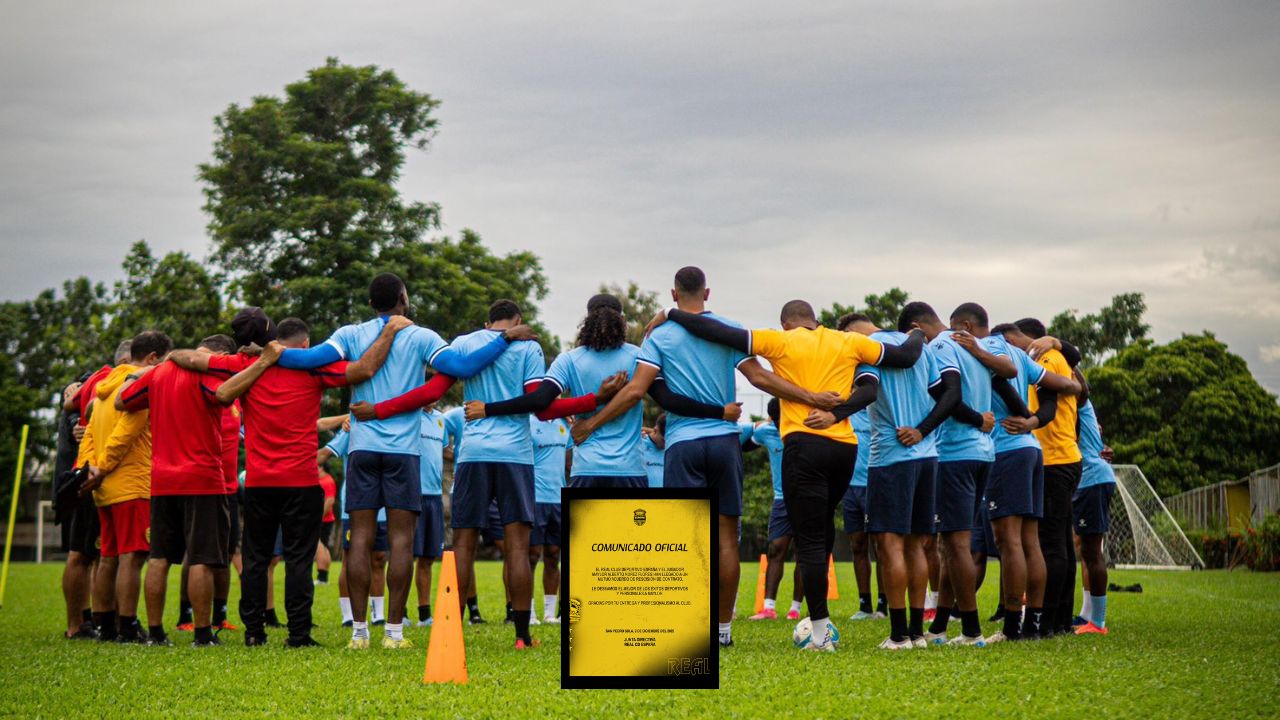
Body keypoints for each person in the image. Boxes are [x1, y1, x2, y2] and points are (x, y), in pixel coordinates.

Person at [575, 268, 838, 650]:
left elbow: (635, 392)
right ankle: (722, 631)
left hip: (682, 443)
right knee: (726, 540)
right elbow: (762, 380)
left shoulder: (660, 336)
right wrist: (813, 398)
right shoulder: (727, 329)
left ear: (673, 293)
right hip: (724, 444)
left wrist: (591, 424)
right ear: (708, 292)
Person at [276, 273, 533, 650]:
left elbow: (310, 359)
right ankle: (394, 632)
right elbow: (461, 368)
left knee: (359, 540)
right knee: (400, 541)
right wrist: (506, 337)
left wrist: (271, 353)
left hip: (362, 448)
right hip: (404, 452)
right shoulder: (421, 335)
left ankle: (359, 633)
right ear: (403, 298)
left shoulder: (350, 333)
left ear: (369, 304)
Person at [169, 310, 407, 647]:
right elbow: (364, 368)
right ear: (303, 343)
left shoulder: (243, 365)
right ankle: (298, 634)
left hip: (259, 482)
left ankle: (254, 632)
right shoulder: (311, 366)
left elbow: (188, 358)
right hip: (302, 480)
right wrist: (389, 333)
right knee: (298, 560)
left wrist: (166, 357)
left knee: (256, 560)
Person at [465, 293, 734, 489]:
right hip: (630, 470)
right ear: (623, 320)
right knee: (629, 557)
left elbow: (542, 407)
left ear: (587, 320)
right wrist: (718, 411)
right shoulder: (639, 357)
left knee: (584, 559)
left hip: (587, 470)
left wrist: (489, 408)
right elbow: (668, 400)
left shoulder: (569, 360)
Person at [830, 311, 951, 650]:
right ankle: (915, 632)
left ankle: (898, 635)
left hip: (891, 457)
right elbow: (945, 395)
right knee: (917, 545)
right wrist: (923, 430)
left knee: (890, 545)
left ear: (849, 333)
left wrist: (834, 412)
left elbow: (868, 392)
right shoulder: (919, 348)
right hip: (928, 456)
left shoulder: (868, 348)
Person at [117, 334, 239, 648]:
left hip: (161, 481)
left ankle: (156, 633)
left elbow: (122, 401)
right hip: (202, 479)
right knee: (201, 558)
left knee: (158, 557)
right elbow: (225, 396)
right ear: (218, 355)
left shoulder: (157, 373)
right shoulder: (207, 373)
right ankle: (201, 634)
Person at [905, 302, 1016, 647]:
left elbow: (950, 395)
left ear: (917, 328)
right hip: (983, 453)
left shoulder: (941, 345)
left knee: (955, 544)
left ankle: (971, 631)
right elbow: (1006, 383)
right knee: (949, 544)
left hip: (955, 453)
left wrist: (922, 430)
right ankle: (939, 626)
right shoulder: (978, 350)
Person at [977, 323, 1080, 642]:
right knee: (1041, 542)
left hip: (1030, 454)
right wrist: (1032, 420)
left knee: (1017, 543)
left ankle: (1025, 625)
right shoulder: (1034, 359)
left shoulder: (1013, 354)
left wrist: (1026, 418)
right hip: (1039, 453)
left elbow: (1006, 377)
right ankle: (1042, 623)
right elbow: (1073, 387)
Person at [78, 331, 172, 643]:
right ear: (153, 359)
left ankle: (106, 625)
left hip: (103, 487)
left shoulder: (104, 388)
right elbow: (126, 433)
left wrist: (90, 469)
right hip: (131, 483)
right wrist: (103, 467)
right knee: (132, 557)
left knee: (109, 557)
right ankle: (127, 627)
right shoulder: (137, 385)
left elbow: (89, 433)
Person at [1008, 318, 1083, 636]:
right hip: (1064, 457)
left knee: (1051, 545)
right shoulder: (1056, 357)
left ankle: (1046, 623)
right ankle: (1061, 621)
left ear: (1029, 339)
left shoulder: (1047, 358)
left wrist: (1029, 423)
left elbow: (1052, 405)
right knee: (1061, 543)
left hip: (1054, 461)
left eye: (1011, 343)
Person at [318, 427, 390, 628]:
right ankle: (348, 616)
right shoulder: (352, 428)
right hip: (355, 505)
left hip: (383, 506)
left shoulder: (392, 427)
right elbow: (325, 453)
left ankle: (378, 615)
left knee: (379, 559)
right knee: (350, 560)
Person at [747, 398, 805, 622]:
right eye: (778, 419)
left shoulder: (805, 429)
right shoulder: (766, 432)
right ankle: (768, 608)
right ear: (774, 418)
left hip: (805, 499)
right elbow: (742, 434)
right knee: (776, 549)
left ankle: (795, 609)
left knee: (803, 552)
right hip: (781, 500)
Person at [1072, 384, 1115, 636]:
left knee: (1092, 550)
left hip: (1093, 480)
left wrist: (1058, 345)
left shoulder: (1079, 402)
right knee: (1085, 549)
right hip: (1087, 480)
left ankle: (1097, 622)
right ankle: (1088, 615)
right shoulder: (1072, 411)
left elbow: (1082, 386)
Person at [442, 406, 486, 625]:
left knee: (468, 552)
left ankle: (473, 611)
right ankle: (457, 616)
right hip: (461, 485)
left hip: (482, 483)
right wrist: (454, 454)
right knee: (462, 551)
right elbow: (438, 429)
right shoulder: (457, 414)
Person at [527, 413, 571, 625]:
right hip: (534, 498)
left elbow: (569, 459)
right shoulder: (527, 422)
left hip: (559, 499)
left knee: (554, 555)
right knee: (531, 556)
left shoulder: (565, 423)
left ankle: (550, 613)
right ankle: (528, 611)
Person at [412, 401, 451, 627]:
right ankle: (400, 613)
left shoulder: (441, 419)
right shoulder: (410, 415)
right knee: (405, 556)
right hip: (412, 495)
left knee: (428, 557)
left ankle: (424, 614)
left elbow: (445, 450)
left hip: (434, 496)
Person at [315, 470, 337, 585]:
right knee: (323, 546)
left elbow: (330, 501)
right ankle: (323, 577)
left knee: (319, 545)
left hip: (324, 520)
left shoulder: (327, 481)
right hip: (324, 519)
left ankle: (322, 577)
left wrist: (317, 517)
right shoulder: (320, 480)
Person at [641, 414, 666, 489]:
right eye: (663, 441)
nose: (666, 444)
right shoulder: (639, 444)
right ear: (655, 430)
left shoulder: (673, 448)